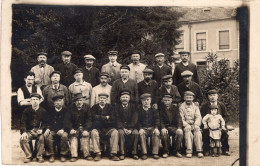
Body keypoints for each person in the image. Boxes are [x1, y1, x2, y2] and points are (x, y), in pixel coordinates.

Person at [200, 89, 230, 156]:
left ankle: (225, 149)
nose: (212, 97)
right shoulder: (205, 106)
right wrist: (206, 124)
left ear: (217, 96)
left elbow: (226, 116)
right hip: (209, 125)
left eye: (214, 95)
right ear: (208, 96)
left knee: (224, 132)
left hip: (219, 125)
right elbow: (201, 116)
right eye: (210, 95)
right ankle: (206, 149)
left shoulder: (221, 105)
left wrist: (221, 123)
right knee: (205, 132)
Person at [91, 93, 120, 161]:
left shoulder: (111, 107)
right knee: (93, 132)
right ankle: (98, 153)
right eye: (101, 98)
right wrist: (105, 117)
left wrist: (99, 118)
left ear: (107, 100)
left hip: (108, 128)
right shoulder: (94, 107)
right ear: (98, 99)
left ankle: (113, 154)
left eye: (104, 98)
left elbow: (113, 120)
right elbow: (93, 118)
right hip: (98, 128)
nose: (102, 100)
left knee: (115, 132)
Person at [64, 93, 93, 162]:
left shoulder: (87, 107)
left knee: (85, 136)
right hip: (74, 128)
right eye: (77, 101)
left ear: (83, 100)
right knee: (73, 137)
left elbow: (89, 119)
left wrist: (86, 129)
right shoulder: (70, 108)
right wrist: (71, 129)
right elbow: (67, 120)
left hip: (84, 128)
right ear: (74, 102)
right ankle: (74, 155)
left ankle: (86, 154)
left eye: (80, 100)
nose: (79, 102)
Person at [20, 93, 48, 163]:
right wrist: (24, 132)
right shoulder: (26, 111)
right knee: (23, 139)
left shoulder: (43, 111)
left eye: (36, 99)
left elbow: (46, 123)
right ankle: (29, 156)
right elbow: (22, 122)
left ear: (39, 101)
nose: (35, 101)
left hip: (39, 131)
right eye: (33, 100)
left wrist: (41, 130)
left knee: (41, 139)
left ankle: (39, 156)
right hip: (29, 131)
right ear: (31, 101)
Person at [44, 95, 69, 162]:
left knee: (64, 136)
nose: (58, 103)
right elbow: (48, 121)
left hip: (63, 130)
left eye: (59, 101)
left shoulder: (66, 110)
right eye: (56, 101)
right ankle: (51, 154)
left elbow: (68, 122)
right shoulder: (50, 110)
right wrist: (48, 128)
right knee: (48, 136)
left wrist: (63, 129)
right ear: (53, 103)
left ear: (63, 102)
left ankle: (63, 154)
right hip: (53, 129)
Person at [115, 90, 139, 160]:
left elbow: (135, 119)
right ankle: (122, 153)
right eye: (123, 97)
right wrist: (123, 128)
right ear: (120, 98)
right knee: (121, 133)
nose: (124, 99)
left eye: (126, 97)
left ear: (129, 98)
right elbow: (117, 119)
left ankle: (134, 152)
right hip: (121, 127)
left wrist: (130, 129)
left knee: (136, 133)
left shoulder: (134, 107)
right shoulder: (117, 107)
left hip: (132, 127)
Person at [179, 91, 204, 158]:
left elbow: (198, 116)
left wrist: (196, 124)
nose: (188, 99)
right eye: (187, 97)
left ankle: (199, 151)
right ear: (184, 98)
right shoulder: (181, 107)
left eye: (190, 97)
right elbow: (181, 118)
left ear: (193, 98)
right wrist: (186, 125)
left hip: (194, 124)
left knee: (198, 132)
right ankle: (189, 151)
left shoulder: (195, 107)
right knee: (188, 133)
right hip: (186, 125)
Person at [159, 94, 183, 158]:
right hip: (166, 127)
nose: (167, 102)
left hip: (173, 127)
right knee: (164, 134)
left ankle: (177, 151)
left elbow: (179, 118)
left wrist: (179, 128)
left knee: (180, 133)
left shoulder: (175, 108)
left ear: (171, 100)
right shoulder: (160, 108)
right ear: (163, 101)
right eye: (165, 100)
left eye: (168, 100)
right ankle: (166, 151)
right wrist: (163, 128)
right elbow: (160, 120)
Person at [138, 93, 160, 160]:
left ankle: (155, 153)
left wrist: (156, 128)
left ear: (150, 101)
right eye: (144, 100)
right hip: (143, 128)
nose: (146, 102)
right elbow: (137, 121)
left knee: (156, 134)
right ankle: (144, 153)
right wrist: (140, 128)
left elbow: (157, 120)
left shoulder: (154, 110)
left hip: (152, 128)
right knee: (141, 134)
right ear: (141, 101)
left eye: (148, 100)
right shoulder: (139, 110)